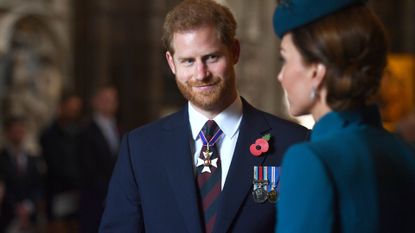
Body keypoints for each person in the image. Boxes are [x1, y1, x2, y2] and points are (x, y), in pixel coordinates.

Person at [99, 0, 309, 232]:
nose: (201, 74)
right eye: (188, 61)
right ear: (171, 63)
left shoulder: (293, 144)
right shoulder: (139, 149)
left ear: (235, 52)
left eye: (211, 57)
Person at [272, 0, 415, 232]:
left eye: (285, 60)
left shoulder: (309, 160)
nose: (281, 76)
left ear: (316, 72)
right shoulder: (405, 152)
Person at [78, 85, 120, 233]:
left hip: (117, 198)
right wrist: (108, 191)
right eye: (104, 99)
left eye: (112, 100)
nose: (109, 103)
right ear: (95, 102)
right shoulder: (86, 131)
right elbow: (87, 167)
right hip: (95, 199)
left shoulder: (119, 128)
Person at [40, 92, 83, 232]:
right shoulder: (49, 135)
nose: (73, 113)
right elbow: (55, 166)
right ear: (62, 107)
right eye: (71, 109)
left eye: (76, 110)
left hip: (77, 195)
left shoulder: (79, 133)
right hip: (58, 193)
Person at [0, 116, 44, 232]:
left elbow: (38, 184)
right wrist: (16, 207)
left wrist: (28, 205)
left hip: (30, 216)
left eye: (20, 130)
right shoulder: (2, 160)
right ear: (7, 133)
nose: (18, 134)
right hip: (8, 218)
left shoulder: (32, 159)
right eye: (14, 131)